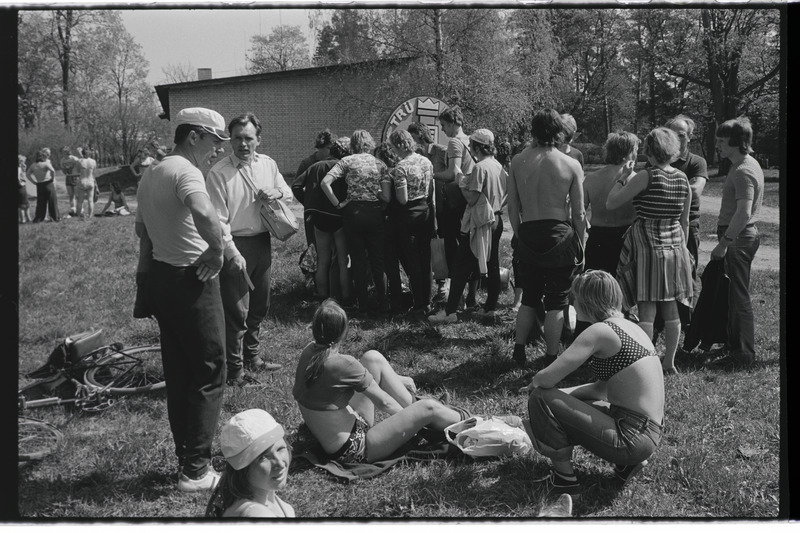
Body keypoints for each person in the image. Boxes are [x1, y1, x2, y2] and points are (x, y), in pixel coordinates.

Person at [135, 106, 230, 492]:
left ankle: (187, 459)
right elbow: (204, 211)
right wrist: (217, 251)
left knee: (180, 373)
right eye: (214, 141)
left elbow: (143, 232)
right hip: (192, 279)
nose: (217, 150)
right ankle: (196, 470)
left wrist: (145, 279)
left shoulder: (151, 172)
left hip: (161, 277)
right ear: (194, 136)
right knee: (209, 370)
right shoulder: (186, 171)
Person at [523, 270, 664, 495]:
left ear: (587, 301)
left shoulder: (600, 331)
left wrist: (542, 394)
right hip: (647, 434)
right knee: (551, 399)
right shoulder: (632, 328)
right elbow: (599, 390)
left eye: (575, 298)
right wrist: (559, 401)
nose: (573, 305)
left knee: (539, 397)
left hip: (629, 437)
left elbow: (544, 379)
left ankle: (564, 479)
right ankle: (627, 466)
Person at [292, 299, 471, 464]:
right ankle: (471, 423)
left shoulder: (309, 352)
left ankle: (433, 416)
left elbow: (353, 374)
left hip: (344, 431)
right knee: (428, 408)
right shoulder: (344, 364)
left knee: (372, 359)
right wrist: (412, 421)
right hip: (356, 448)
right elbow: (384, 402)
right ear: (343, 331)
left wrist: (398, 379)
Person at [206, 113, 292, 385]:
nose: (243, 144)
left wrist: (275, 193)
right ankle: (235, 372)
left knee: (259, 305)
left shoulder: (268, 164)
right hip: (235, 245)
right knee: (236, 312)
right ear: (230, 140)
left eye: (248, 138)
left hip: (261, 242)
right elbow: (218, 220)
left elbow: (287, 192)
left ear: (258, 139)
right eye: (237, 138)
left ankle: (251, 357)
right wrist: (232, 253)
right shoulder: (219, 172)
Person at [606, 127, 693, 375]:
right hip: (675, 244)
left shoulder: (646, 176)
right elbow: (684, 221)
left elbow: (612, 203)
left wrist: (622, 178)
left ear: (650, 151)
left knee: (647, 306)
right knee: (671, 307)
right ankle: (669, 362)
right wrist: (683, 250)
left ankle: (647, 359)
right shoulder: (682, 177)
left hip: (648, 244)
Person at [507, 109, 585, 368]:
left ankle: (519, 350)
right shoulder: (571, 163)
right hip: (558, 235)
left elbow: (512, 206)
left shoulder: (518, 161)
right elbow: (579, 211)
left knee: (529, 297)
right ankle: (551, 356)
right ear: (559, 131)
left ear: (533, 130)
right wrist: (581, 242)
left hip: (529, 229)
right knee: (557, 300)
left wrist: (519, 235)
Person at [429, 128, 507, 323]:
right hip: (496, 219)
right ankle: (489, 309)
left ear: (477, 146)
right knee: (492, 263)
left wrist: (461, 182)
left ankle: (450, 313)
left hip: (479, 223)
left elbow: (471, 199)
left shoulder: (480, 167)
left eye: (471, 144)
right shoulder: (498, 165)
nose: (469, 147)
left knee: (460, 266)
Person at [707, 117, 764, 368]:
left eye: (721, 141)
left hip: (738, 239)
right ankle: (734, 346)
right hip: (738, 238)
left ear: (736, 142)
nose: (717, 145)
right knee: (733, 294)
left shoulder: (743, 170)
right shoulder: (739, 165)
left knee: (739, 297)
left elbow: (743, 212)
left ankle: (743, 355)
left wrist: (724, 243)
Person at [320, 130, 389, 315]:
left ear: (353, 144)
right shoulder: (380, 163)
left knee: (357, 261)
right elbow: (386, 195)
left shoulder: (347, 161)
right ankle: (383, 305)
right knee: (377, 261)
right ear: (369, 143)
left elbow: (325, 183)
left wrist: (338, 204)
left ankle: (363, 307)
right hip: (374, 212)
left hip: (352, 212)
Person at [292, 136, 353, 303]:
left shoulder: (315, 166)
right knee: (342, 259)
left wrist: (308, 203)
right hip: (338, 216)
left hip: (318, 218)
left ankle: (321, 295)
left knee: (323, 259)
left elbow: (296, 186)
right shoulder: (345, 167)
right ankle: (347, 298)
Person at [205, 409, 295, 518]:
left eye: (280, 449)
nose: (280, 463)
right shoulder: (257, 514)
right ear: (242, 470)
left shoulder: (278, 505)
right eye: (263, 457)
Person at [383, 129, 435, 315]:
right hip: (426, 212)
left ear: (398, 146)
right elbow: (430, 191)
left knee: (412, 261)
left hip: (408, 216)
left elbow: (402, 199)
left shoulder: (401, 168)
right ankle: (427, 301)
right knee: (425, 258)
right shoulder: (426, 161)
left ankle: (419, 303)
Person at [433, 106, 478, 309]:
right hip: (471, 199)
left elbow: (453, 172)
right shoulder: (472, 140)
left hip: (456, 200)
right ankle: (472, 297)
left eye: (443, 125)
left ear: (452, 123)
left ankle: (457, 299)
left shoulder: (454, 142)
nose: (443, 130)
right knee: (472, 247)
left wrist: (432, 174)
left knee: (454, 249)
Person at [583, 132, 639, 275]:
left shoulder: (591, 179)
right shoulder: (637, 180)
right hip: (627, 241)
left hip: (597, 238)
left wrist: (588, 227)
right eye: (636, 149)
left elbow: (579, 211)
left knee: (595, 289)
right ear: (629, 151)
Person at [408, 121, 449, 303]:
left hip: (443, 204)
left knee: (440, 244)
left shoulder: (440, 151)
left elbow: (453, 173)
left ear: (419, 134)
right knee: (428, 245)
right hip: (426, 207)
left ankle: (443, 285)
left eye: (413, 137)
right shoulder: (415, 155)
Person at [295, 129, 335, 247]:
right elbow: (296, 187)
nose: (331, 152)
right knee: (314, 246)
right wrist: (308, 202)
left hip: (331, 210)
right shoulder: (308, 163)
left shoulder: (335, 163)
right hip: (314, 213)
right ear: (320, 147)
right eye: (328, 148)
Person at [27, 149, 60, 223]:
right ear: (42, 157)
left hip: (39, 184)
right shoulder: (45, 164)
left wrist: (33, 182)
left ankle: (38, 218)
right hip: (48, 183)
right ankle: (55, 217)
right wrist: (52, 178)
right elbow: (53, 171)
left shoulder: (33, 165)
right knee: (52, 201)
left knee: (41, 203)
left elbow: (27, 174)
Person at [74, 147, 97, 219]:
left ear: (82, 153)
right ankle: (90, 215)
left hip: (82, 181)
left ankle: (78, 215)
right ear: (89, 153)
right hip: (90, 181)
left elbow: (77, 171)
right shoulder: (93, 161)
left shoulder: (79, 161)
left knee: (80, 201)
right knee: (90, 200)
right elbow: (94, 172)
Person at [59, 146, 80, 218]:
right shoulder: (62, 160)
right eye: (62, 152)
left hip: (75, 176)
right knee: (71, 195)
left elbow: (80, 166)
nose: (63, 153)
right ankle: (72, 209)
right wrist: (66, 171)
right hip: (68, 177)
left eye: (64, 151)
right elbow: (62, 169)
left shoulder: (74, 158)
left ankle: (80, 209)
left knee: (77, 195)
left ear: (68, 151)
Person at [18, 155, 31, 224]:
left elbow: (24, 176)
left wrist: (24, 169)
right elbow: (18, 177)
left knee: (25, 203)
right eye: (23, 161)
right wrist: (21, 183)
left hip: (22, 186)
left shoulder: (21, 167)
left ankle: (27, 218)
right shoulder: (18, 168)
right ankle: (23, 219)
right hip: (20, 187)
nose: (24, 162)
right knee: (23, 204)